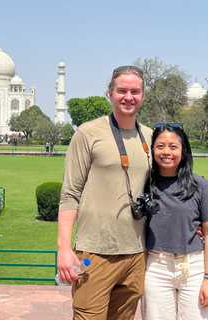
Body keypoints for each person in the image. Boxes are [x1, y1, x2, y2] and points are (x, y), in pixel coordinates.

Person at [57, 66, 153, 319]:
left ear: (143, 95)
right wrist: (64, 249)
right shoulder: (88, 133)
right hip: (94, 253)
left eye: (135, 91)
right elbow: (70, 194)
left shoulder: (151, 138)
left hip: (136, 252)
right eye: (122, 90)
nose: (128, 97)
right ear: (110, 93)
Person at [141, 124, 208, 320]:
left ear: (184, 150)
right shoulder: (144, 185)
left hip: (194, 267)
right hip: (156, 267)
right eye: (160, 146)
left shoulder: (200, 186)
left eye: (173, 146)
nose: (166, 152)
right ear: (152, 149)